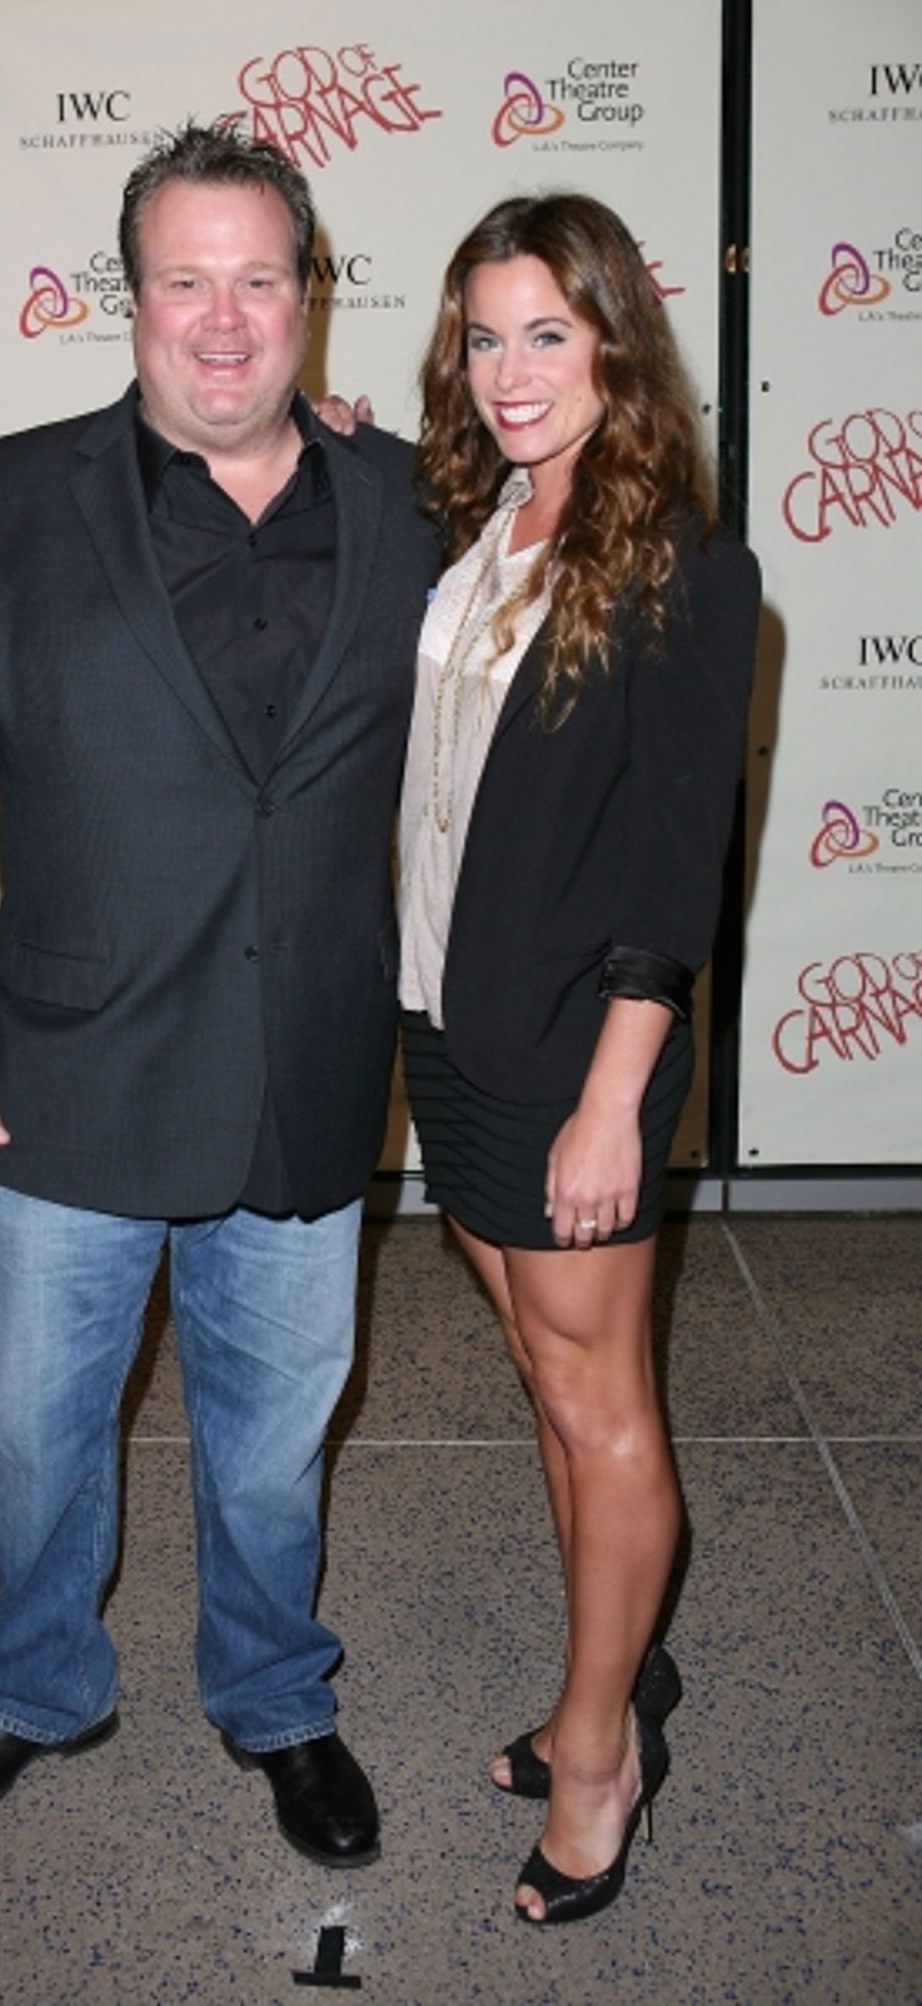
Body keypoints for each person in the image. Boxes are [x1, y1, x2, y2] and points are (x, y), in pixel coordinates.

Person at [0, 121, 437, 1867]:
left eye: (258, 278)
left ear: (308, 298)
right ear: (130, 300)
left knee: (271, 1446)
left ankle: (276, 1692)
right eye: (184, 279)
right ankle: (40, 1684)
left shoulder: (420, 500)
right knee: (40, 1442)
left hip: (306, 1070)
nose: (222, 319)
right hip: (63, 1074)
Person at [396, 193, 760, 1923]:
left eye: (550, 330)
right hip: (450, 1028)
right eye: (485, 333)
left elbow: (676, 867)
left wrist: (619, 1093)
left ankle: (606, 1754)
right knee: (549, 1383)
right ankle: (598, 1680)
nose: (513, 368)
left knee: (602, 1406)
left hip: (574, 1051)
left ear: (617, 341)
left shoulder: (685, 564)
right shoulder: (478, 522)